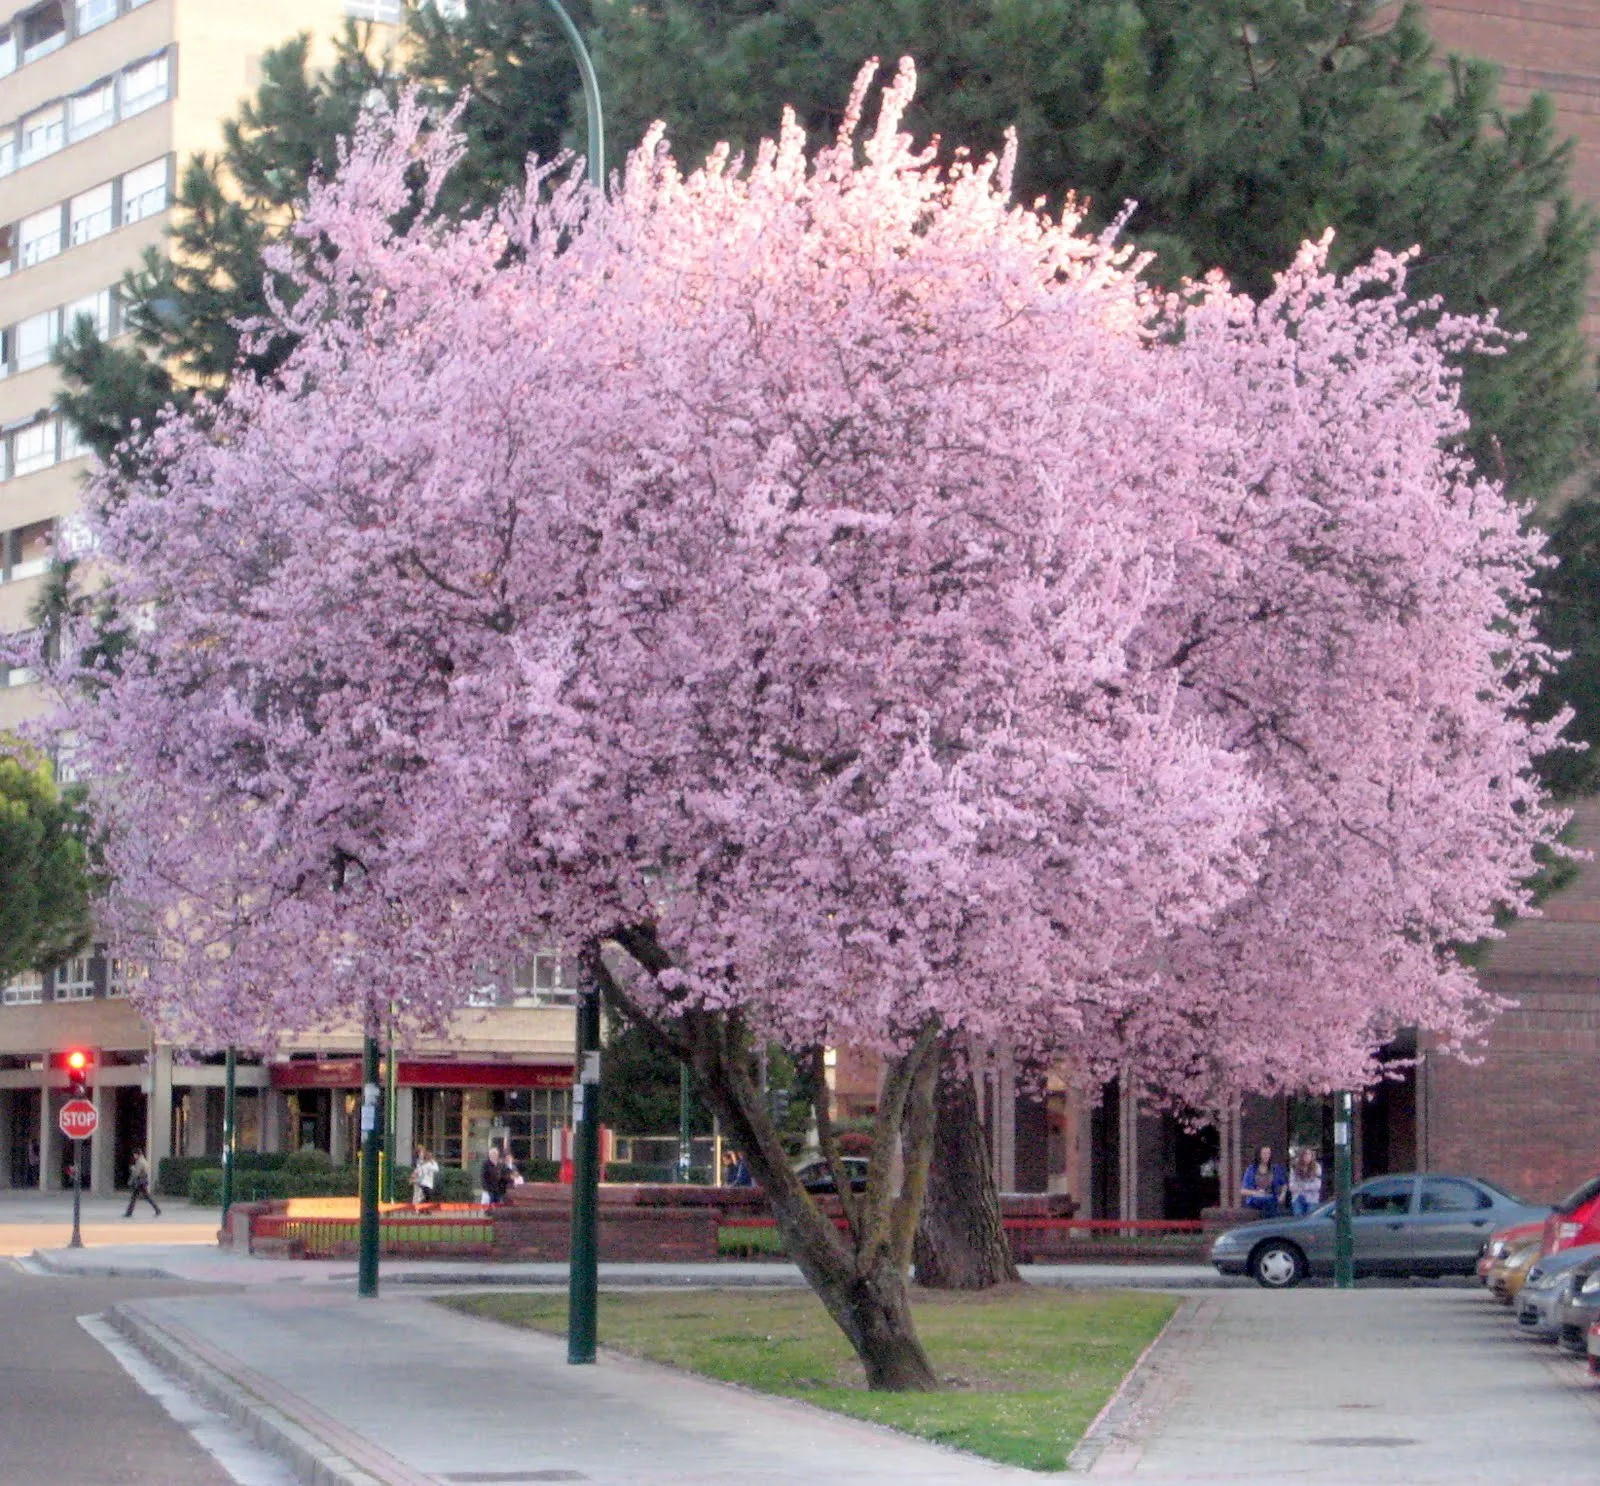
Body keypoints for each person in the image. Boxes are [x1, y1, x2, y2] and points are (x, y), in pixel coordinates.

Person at [1240, 1145, 1287, 1217]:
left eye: (1268, 1153)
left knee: (1271, 1202)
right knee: (1270, 1201)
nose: (1267, 1156)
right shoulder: (1252, 1169)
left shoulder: (1275, 1168)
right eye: (1264, 1153)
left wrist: (1282, 1195)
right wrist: (1256, 1193)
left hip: (1272, 1197)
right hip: (1256, 1198)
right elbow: (1243, 1191)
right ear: (1259, 1155)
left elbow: (1284, 1184)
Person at [124, 1149, 161, 1218]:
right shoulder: (143, 1160)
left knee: (138, 1197)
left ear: (137, 1154)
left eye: (134, 1155)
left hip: (140, 1182)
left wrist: (132, 1168)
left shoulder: (139, 1162)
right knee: (139, 1197)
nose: (134, 1156)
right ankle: (129, 1212)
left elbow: (137, 1173)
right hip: (142, 1181)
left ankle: (129, 1213)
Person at [1287, 1147, 1324, 1216]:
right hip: (1297, 1198)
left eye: (1309, 1154)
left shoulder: (1317, 1167)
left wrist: (1303, 1186)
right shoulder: (1294, 1167)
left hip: (1312, 1199)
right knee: (1298, 1216)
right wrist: (1305, 1187)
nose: (1307, 1157)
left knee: (1311, 1216)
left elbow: (1317, 1185)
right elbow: (1291, 1186)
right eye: (1305, 1155)